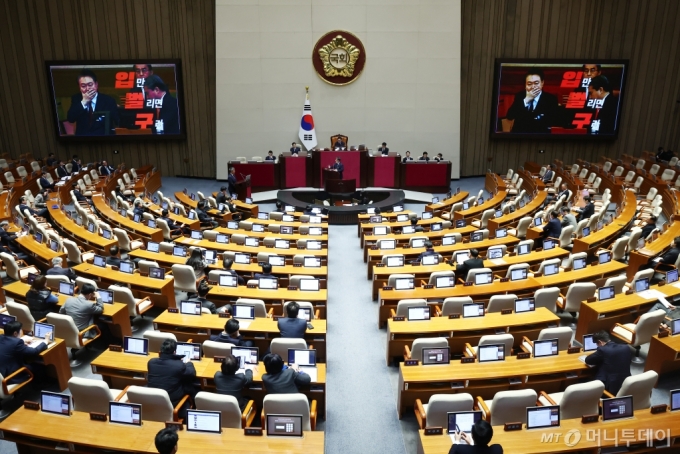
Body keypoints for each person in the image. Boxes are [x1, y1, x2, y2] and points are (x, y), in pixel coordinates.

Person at [147, 339, 199, 410]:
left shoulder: (151, 362)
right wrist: (189, 363)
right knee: (192, 386)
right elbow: (192, 374)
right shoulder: (178, 365)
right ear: (174, 352)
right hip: (173, 403)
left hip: (153, 400)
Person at [505, 67, 559, 133]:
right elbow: (509, 116)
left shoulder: (550, 99)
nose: (533, 87)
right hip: (520, 136)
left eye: (536, 83)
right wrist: (526, 100)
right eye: (529, 84)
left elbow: (554, 121)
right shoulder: (520, 96)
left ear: (542, 83)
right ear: (525, 85)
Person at [66, 70, 120, 136]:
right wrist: (84, 102)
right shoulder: (76, 98)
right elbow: (70, 118)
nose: (87, 88)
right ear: (79, 87)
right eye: (83, 86)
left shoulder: (108, 100)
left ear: (96, 85)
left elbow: (118, 122)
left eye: (90, 85)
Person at [0, 321, 51, 385]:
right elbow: (33, 352)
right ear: (15, 333)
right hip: (10, 376)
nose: (22, 331)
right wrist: (45, 341)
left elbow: (9, 345)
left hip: (2, 371)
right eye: (21, 330)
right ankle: (40, 386)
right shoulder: (16, 343)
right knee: (38, 365)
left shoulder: (1, 337)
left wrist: (22, 341)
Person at [584, 330, 631, 395]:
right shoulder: (626, 347)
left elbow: (588, 360)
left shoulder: (603, 350)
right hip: (625, 382)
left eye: (597, 344)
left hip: (610, 386)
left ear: (600, 342)